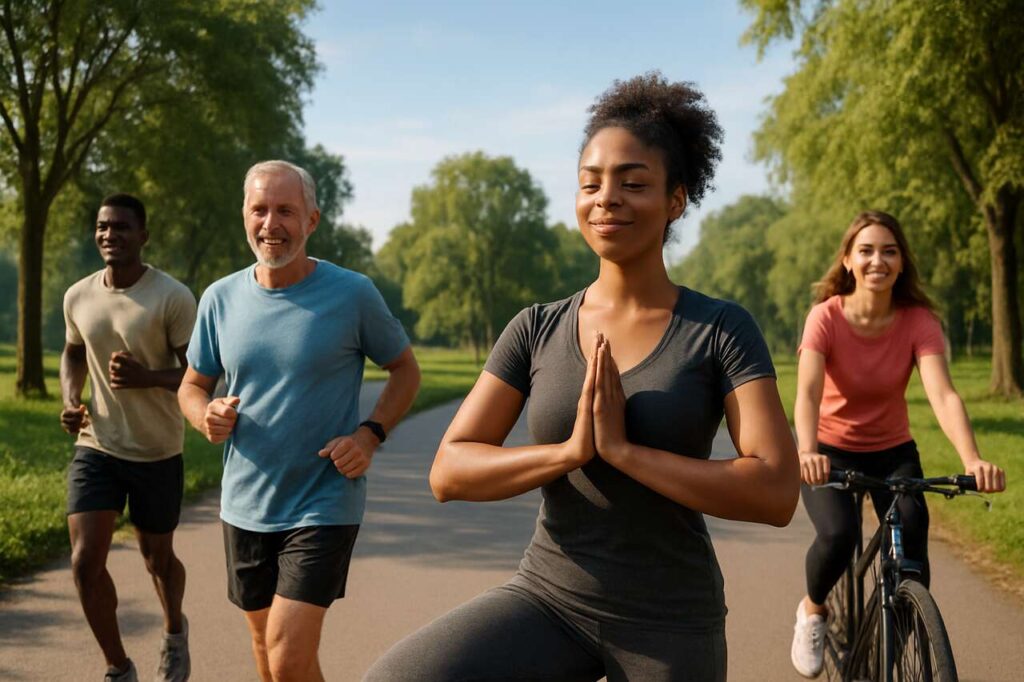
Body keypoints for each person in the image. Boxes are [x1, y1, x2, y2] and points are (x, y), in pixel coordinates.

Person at [365, 72, 799, 682]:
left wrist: (624, 452)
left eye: (633, 183)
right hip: (549, 597)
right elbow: (449, 471)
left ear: (676, 199)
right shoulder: (536, 327)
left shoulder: (721, 329)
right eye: (590, 184)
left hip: (668, 619)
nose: (606, 199)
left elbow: (777, 492)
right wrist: (570, 452)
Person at [177, 160, 420, 682]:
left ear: (312, 219)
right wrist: (206, 416)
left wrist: (369, 434)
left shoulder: (352, 293)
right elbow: (193, 386)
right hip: (245, 502)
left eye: (285, 210)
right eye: (259, 210)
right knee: (271, 656)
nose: (271, 223)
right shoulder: (220, 298)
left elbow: (405, 370)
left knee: (286, 657)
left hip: (323, 498)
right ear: (244, 216)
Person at [789, 210, 1007, 678]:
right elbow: (807, 391)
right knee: (838, 535)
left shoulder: (917, 321)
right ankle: (812, 609)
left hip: (893, 452)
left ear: (902, 262)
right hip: (829, 449)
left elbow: (943, 394)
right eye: (866, 250)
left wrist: (973, 458)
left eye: (889, 251)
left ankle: (888, 654)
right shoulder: (825, 317)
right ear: (848, 260)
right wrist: (807, 450)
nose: (877, 261)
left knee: (912, 557)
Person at [61, 193, 197, 682]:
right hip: (97, 446)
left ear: (143, 235)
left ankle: (173, 632)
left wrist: (147, 378)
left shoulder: (173, 297)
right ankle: (119, 667)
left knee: (157, 558)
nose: (109, 235)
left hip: (157, 450)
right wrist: (70, 399)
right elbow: (73, 352)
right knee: (84, 561)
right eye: (102, 227)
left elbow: (200, 376)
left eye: (120, 227)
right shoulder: (78, 295)